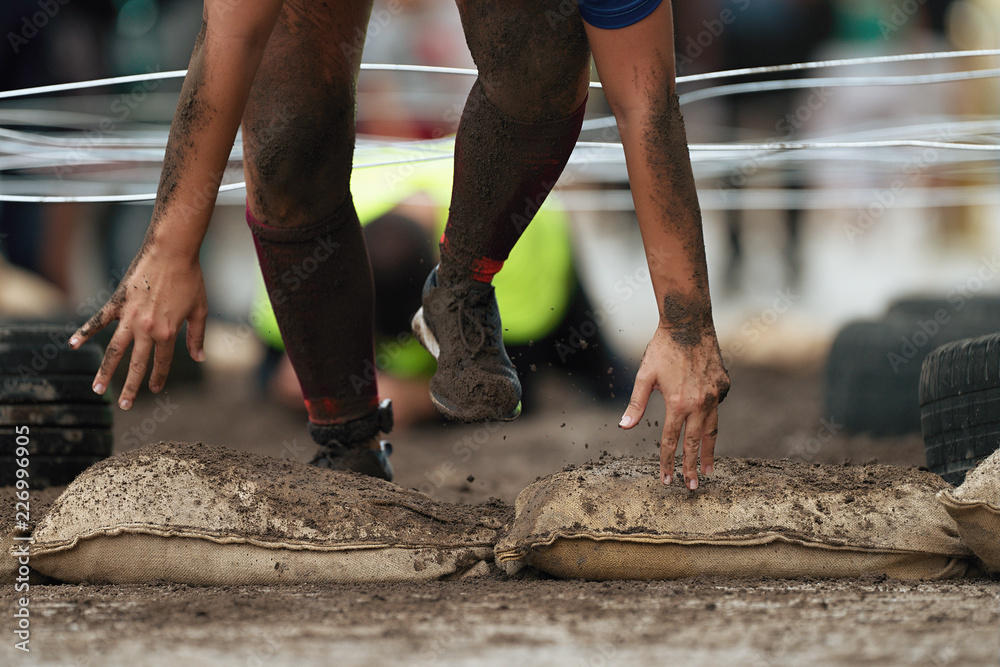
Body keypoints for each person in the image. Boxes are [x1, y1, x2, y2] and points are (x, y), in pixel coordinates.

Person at [69, 0, 730, 490]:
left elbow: (647, 102)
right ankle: (347, 437)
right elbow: (232, 40)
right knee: (286, 136)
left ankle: (461, 294)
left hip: (508, 238)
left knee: (543, 60)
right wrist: (170, 247)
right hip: (362, 243)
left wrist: (687, 325)